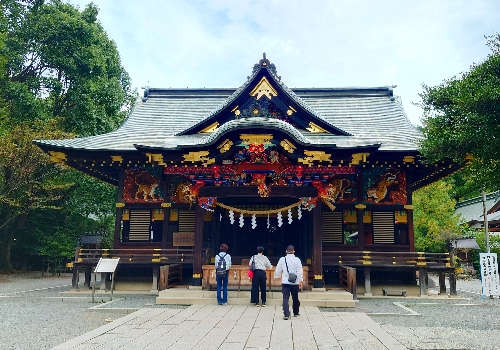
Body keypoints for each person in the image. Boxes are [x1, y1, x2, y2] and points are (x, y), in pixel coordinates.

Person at [274, 245, 303, 320]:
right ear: (294, 251)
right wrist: (300, 280)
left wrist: (277, 276)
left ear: (286, 251)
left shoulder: (282, 259)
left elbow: (278, 269)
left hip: (285, 281)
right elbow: (299, 271)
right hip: (295, 282)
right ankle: (296, 312)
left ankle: (286, 314)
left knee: (285, 298)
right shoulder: (297, 260)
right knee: (295, 298)